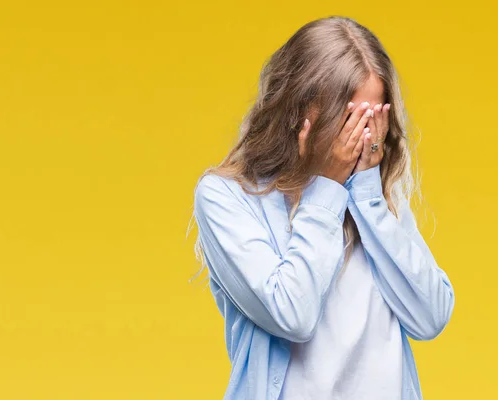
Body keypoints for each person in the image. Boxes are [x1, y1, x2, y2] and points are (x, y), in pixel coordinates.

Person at [190, 15, 455, 400]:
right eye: (349, 118)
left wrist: (368, 199)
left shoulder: (374, 196)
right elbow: (292, 315)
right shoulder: (227, 197)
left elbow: (430, 317)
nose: (364, 136)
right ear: (299, 112)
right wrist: (327, 189)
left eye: (374, 118)